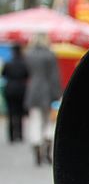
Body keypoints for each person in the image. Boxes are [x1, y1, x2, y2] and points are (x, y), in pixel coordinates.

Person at [23, 32, 62, 166]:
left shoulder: (28, 55)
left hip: (32, 91)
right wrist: (57, 96)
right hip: (48, 91)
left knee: (35, 120)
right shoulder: (50, 55)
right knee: (49, 122)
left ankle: (36, 145)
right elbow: (54, 77)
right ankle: (46, 145)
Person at [1, 44, 29, 143]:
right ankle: (20, 135)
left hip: (10, 89)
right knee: (20, 113)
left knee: (11, 113)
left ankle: (11, 136)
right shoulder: (24, 63)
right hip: (21, 89)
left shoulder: (8, 63)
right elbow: (27, 74)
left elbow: (4, 74)